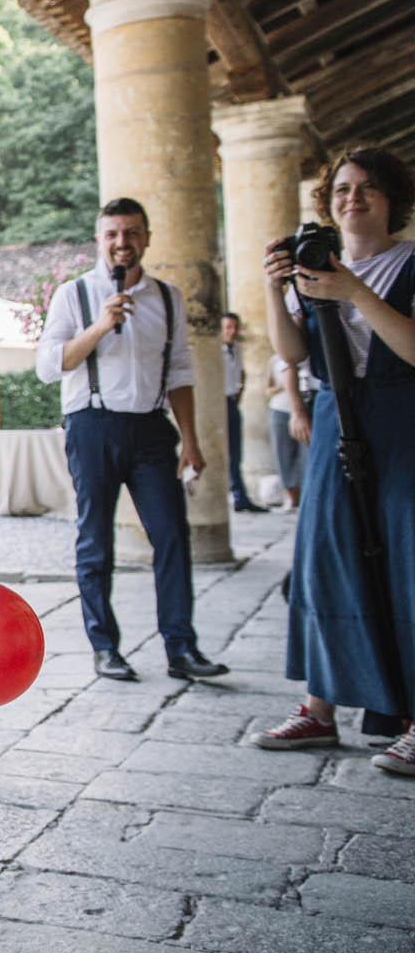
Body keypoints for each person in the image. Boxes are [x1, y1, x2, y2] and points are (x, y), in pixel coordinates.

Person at [251, 148, 415, 777]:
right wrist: (276, 286)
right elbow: (291, 352)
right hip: (331, 420)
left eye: (368, 188)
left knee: (406, 557)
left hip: (402, 421)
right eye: (343, 188)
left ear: (392, 200)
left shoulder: (407, 263)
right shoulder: (312, 269)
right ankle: (319, 708)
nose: (353, 198)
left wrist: (353, 289)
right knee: (325, 557)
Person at [33, 198, 230, 683]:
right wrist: (100, 326)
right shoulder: (74, 295)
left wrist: (190, 440)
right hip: (92, 425)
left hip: (151, 429)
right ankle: (105, 647)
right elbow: (47, 366)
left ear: (146, 237)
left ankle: (182, 648)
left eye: (132, 233)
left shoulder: (167, 298)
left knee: (171, 537)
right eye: (113, 234)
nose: (123, 242)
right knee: (96, 541)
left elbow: (181, 370)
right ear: (100, 240)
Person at [221, 311, 268, 512]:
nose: (232, 332)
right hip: (217, 404)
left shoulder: (236, 349)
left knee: (235, 452)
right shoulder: (213, 350)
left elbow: (241, 373)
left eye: (234, 327)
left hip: (231, 402)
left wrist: (238, 395)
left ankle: (240, 496)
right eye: (227, 327)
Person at [264, 352, 310, 513]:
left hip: (305, 410)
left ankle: (307, 497)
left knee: (307, 456)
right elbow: (267, 390)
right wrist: (286, 385)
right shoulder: (274, 360)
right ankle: (289, 497)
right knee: (282, 454)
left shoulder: (305, 357)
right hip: (280, 410)